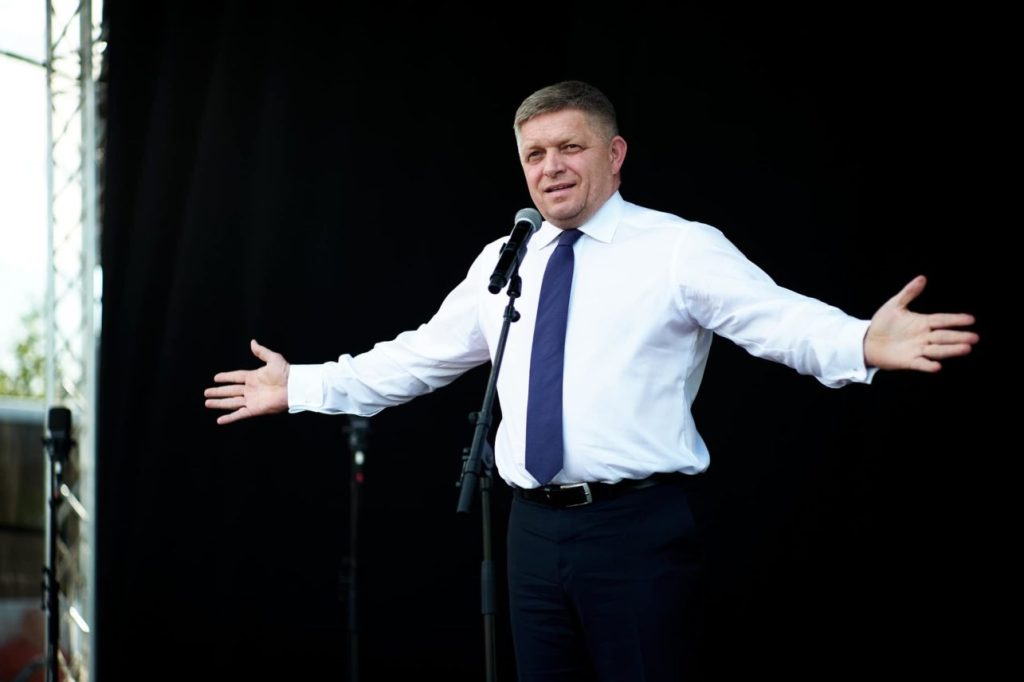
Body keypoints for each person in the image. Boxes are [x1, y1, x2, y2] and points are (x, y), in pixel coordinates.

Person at [204, 81, 978, 681]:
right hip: (531, 533)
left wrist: (860, 340)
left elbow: (774, 320)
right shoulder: (506, 259)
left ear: (614, 154)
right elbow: (420, 356)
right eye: (534, 154)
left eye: (570, 148)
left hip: (635, 532)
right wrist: (301, 386)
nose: (550, 168)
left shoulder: (676, 249)